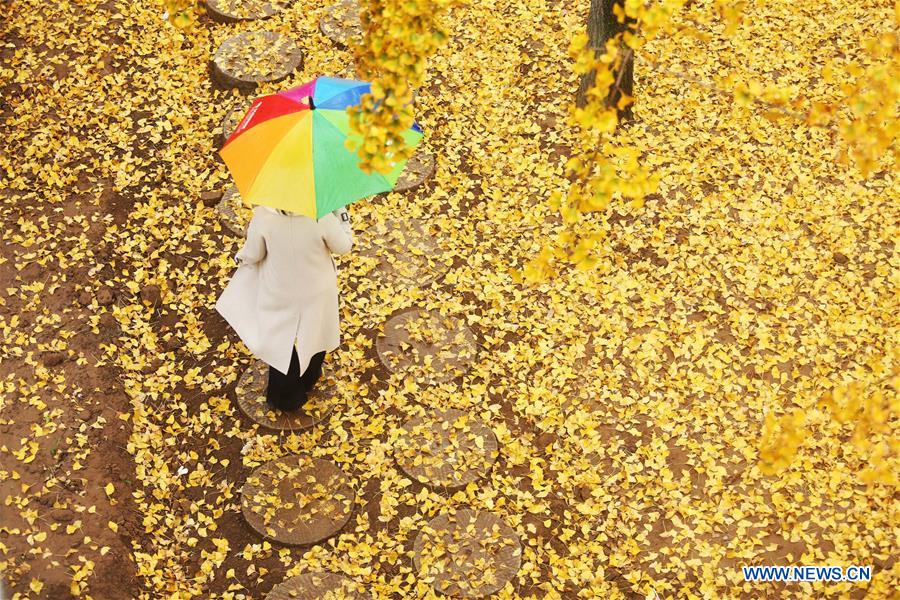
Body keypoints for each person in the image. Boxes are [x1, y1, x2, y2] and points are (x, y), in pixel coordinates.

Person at [216, 205, 353, 411]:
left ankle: (286, 397)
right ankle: (309, 378)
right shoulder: (321, 215)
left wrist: (240, 257)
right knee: (315, 331)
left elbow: (253, 253)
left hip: (279, 289)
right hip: (315, 289)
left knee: (280, 341)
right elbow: (343, 247)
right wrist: (341, 216)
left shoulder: (264, 216)